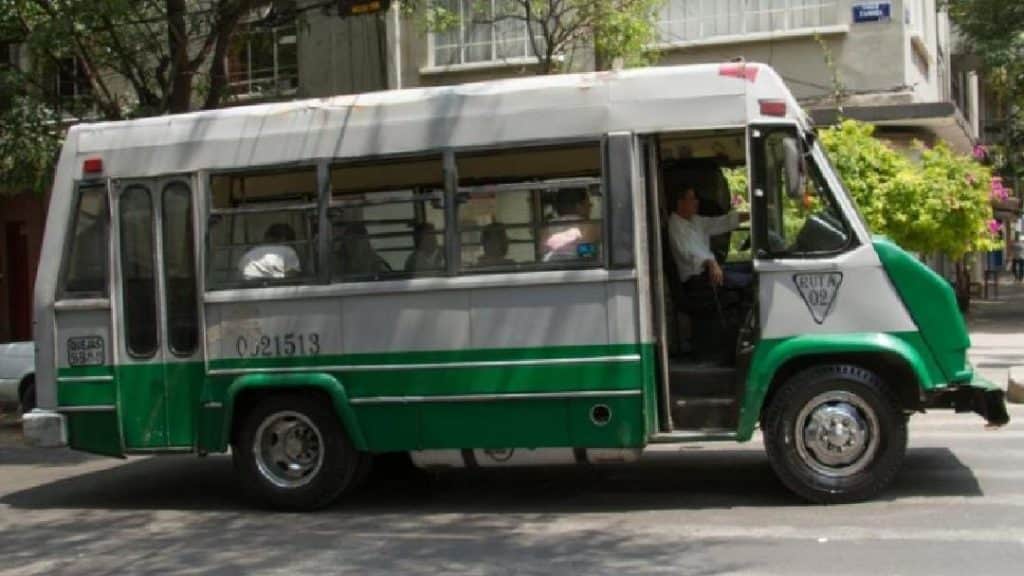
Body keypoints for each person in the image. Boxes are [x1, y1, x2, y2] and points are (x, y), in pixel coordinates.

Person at [667, 187, 750, 289]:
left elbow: (722, 222)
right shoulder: (675, 226)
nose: (696, 202)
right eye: (692, 199)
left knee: (751, 267)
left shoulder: (695, 220)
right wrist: (710, 263)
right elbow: (688, 255)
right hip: (698, 279)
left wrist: (751, 215)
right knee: (751, 280)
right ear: (680, 203)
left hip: (711, 270)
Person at [541, 187, 600, 262]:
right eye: (588, 203)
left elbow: (543, 252)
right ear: (579, 206)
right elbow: (587, 257)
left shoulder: (548, 226)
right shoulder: (587, 226)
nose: (591, 206)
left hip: (550, 270)